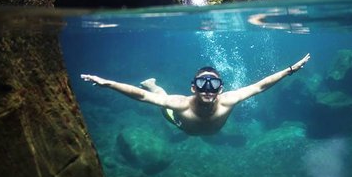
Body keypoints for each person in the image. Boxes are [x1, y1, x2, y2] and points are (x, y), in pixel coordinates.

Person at [80, 53, 311, 136]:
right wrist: (108, 83)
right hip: (180, 124)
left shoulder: (228, 99)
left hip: (207, 131)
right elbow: (141, 97)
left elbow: (260, 86)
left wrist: (290, 70)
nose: (208, 89)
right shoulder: (182, 104)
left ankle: (153, 83)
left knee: (164, 99)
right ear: (193, 87)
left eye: (213, 84)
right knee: (162, 101)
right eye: (203, 83)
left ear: (220, 88)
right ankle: (153, 83)